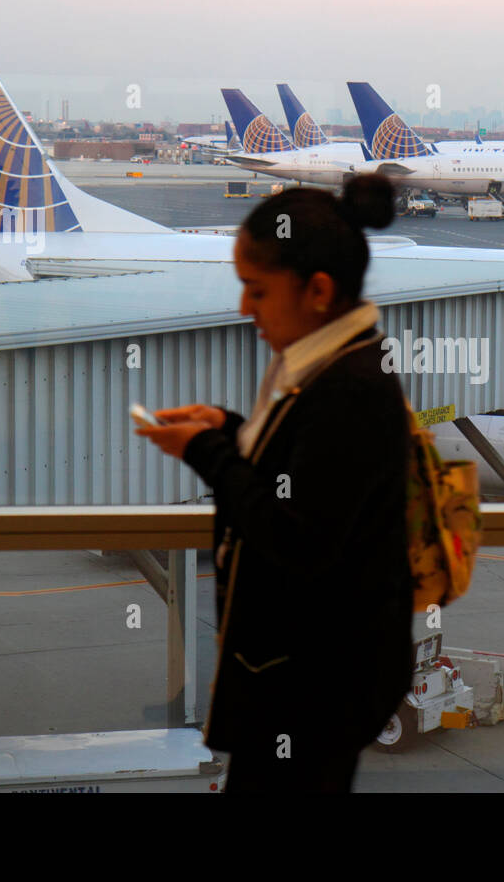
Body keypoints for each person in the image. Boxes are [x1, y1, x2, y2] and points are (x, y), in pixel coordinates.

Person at [136, 174, 413, 793]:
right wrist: (231, 431)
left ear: (317, 290)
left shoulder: (348, 390)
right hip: (314, 680)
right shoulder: (330, 366)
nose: (244, 308)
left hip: (312, 689)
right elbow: (299, 478)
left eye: (256, 290)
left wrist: (206, 451)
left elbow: (297, 536)